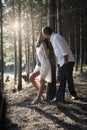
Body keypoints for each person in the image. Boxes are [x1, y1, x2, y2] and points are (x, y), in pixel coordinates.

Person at [42, 26, 78, 102]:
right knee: (64, 80)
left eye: (43, 34)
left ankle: (63, 97)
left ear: (46, 34)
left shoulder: (56, 38)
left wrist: (65, 63)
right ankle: (67, 96)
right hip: (63, 62)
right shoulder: (53, 39)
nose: (43, 36)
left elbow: (65, 51)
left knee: (66, 79)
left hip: (67, 62)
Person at [29, 32, 53, 104]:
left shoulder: (43, 43)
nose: (42, 36)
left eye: (43, 35)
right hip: (39, 64)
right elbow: (37, 55)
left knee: (42, 81)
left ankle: (38, 98)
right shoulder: (38, 45)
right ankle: (41, 91)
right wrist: (38, 60)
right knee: (31, 78)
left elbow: (46, 55)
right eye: (41, 35)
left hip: (45, 64)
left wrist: (45, 53)